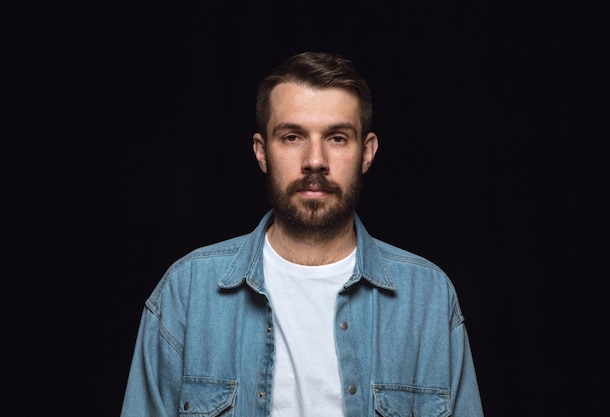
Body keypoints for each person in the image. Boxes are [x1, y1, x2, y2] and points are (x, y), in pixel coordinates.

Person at [121, 51, 484, 417]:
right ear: (262, 152)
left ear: (367, 152)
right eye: (292, 136)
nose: (315, 160)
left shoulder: (428, 299)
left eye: (337, 138)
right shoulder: (187, 291)